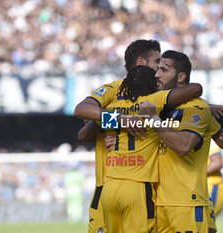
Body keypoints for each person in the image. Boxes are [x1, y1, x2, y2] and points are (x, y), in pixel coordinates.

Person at [75, 40, 203, 233]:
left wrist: (113, 124)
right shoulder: (118, 91)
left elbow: (85, 132)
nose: (159, 70)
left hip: (118, 187)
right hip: (121, 185)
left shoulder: (142, 97)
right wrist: (122, 121)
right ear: (142, 62)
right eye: (157, 63)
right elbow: (83, 120)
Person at [105, 50, 223, 233]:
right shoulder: (157, 106)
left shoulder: (195, 107)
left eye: (164, 70)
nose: (157, 74)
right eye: (157, 69)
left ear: (181, 76)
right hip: (156, 203)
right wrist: (112, 135)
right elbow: (90, 125)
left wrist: (154, 120)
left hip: (187, 203)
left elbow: (184, 146)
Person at [207, 141, 223, 216]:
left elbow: (217, 163)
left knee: (207, 221)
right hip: (205, 186)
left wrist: (196, 174)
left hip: (213, 186)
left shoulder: (209, 141)